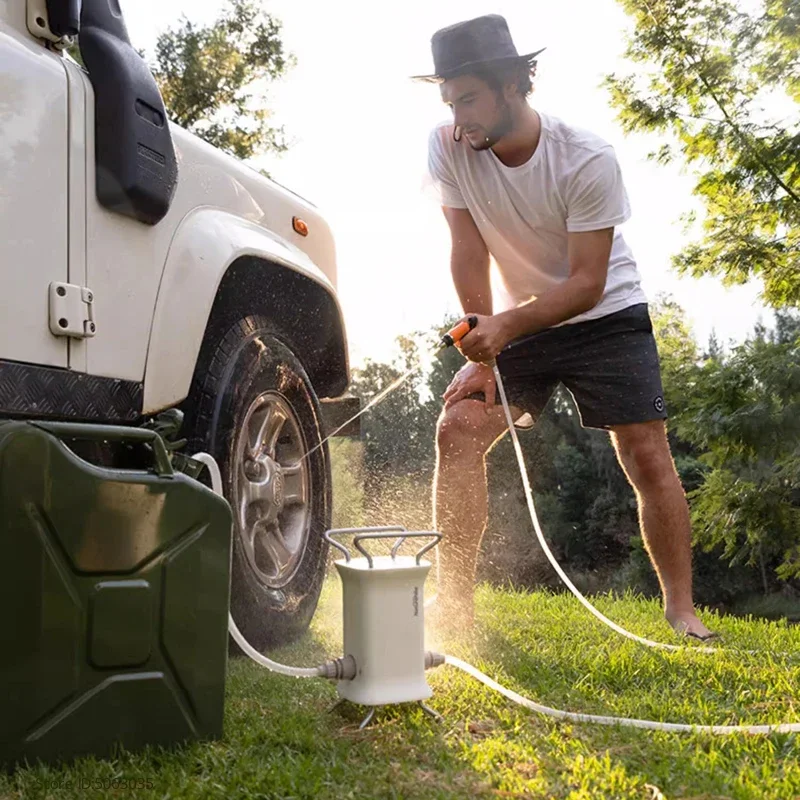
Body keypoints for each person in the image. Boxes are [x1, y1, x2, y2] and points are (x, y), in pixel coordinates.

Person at [413, 14, 717, 641]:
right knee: (459, 427)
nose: (457, 115)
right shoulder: (447, 147)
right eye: (449, 100)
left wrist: (506, 325)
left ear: (512, 86)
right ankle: (456, 605)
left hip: (606, 315)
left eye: (467, 98)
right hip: (519, 320)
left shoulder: (585, 158)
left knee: (644, 452)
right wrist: (480, 339)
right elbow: (466, 248)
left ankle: (681, 611)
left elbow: (587, 283)